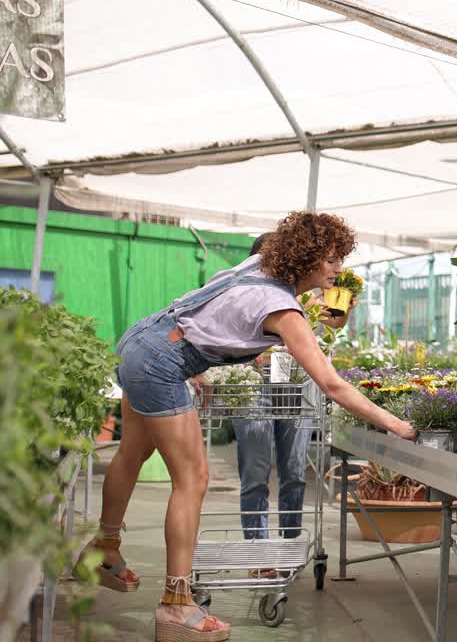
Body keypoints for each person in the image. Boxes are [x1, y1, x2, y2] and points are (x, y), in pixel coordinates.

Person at [82, 212, 414, 642]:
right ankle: (176, 605)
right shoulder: (282, 311)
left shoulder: (258, 267)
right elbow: (331, 384)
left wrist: (327, 306)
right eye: (331, 260)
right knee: (193, 478)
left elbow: (224, 307)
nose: (339, 269)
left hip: (143, 340)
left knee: (133, 452)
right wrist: (394, 424)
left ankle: (103, 551)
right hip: (162, 363)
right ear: (309, 258)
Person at [231, 232, 355, 577]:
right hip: (253, 386)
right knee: (255, 472)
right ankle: (259, 555)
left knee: (295, 472)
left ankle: (287, 549)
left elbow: (332, 321)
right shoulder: (242, 292)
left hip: (296, 383)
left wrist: (341, 310)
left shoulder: (302, 294)